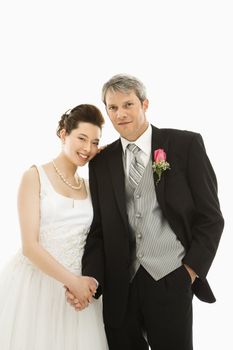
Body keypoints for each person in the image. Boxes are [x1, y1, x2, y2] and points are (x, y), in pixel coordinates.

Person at [67, 74, 224, 350]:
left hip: (170, 278)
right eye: (112, 108)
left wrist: (189, 272)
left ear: (145, 104)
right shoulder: (101, 162)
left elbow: (211, 218)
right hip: (120, 286)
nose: (120, 114)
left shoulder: (185, 145)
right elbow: (100, 229)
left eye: (128, 105)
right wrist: (92, 277)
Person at [0, 104, 109, 349]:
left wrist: (84, 286)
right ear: (63, 134)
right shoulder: (34, 176)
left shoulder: (91, 188)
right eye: (82, 138)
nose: (87, 148)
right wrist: (72, 281)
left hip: (77, 296)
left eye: (94, 142)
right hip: (37, 286)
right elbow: (30, 246)